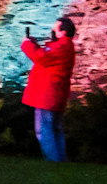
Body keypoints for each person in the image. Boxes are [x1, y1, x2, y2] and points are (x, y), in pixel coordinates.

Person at [21, 18, 78, 161]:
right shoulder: (64, 46)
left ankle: (53, 160)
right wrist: (35, 44)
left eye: (55, 28)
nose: (52, 31)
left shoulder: (62, 46)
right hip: (54, 94)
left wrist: (28, 45)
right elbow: (47, 55)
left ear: (63, 31)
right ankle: (60, 159)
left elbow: (42, 57)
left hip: (47, 95)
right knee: (56, 129)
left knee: (44, 130)